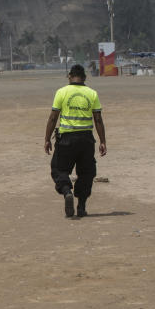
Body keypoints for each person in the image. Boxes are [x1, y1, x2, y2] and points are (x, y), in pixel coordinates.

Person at [43, 63, 107, 217]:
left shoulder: (62, 92)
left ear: (69, 77)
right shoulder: (92, 93)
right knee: (86, 173)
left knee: (59, 169)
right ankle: (81, 207)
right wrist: (103, 141)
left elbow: (53, 118)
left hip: (66, 139)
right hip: (86, 140)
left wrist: (47, 139)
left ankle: (67, 192)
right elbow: (98, 119)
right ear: (84, 78)